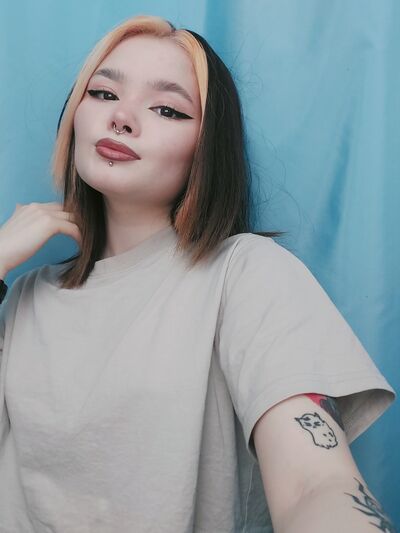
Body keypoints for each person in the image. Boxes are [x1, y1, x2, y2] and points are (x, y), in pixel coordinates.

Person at [0, 14, 396, 533]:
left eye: (167, 109)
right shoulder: (24, 297)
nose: (121, 118)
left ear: (207, 148)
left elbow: (315, 483)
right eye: (102, 93)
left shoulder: (245, 273)